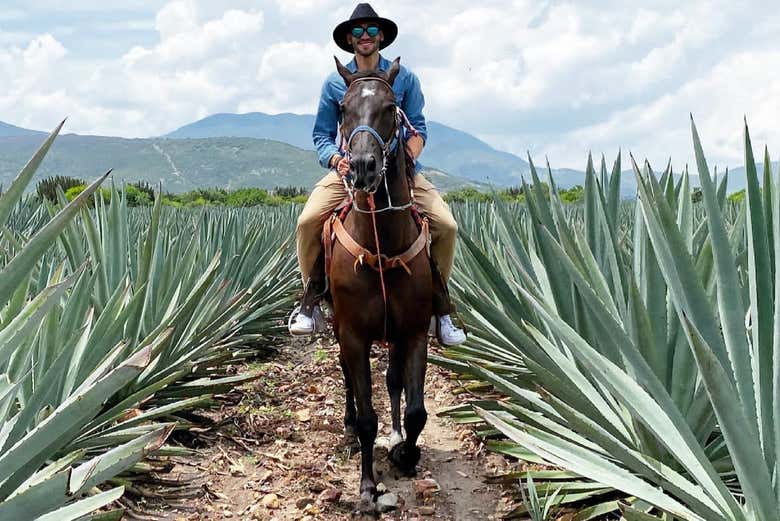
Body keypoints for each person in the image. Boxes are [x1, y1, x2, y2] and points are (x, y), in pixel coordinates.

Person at [290, 2, 466, 346]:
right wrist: (335, 161)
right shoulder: (333, 85)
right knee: (308, 221)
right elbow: (321, 136)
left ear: (381, 36)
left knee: (446, 226)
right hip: (350, 171)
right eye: (358, 31)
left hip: (399, 175)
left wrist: (406, 162)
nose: (365, 36)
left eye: (371, 30)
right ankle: (311, 302)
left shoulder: (406, 79)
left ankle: (438, 307)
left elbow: (419, 130)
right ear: (349, 40)